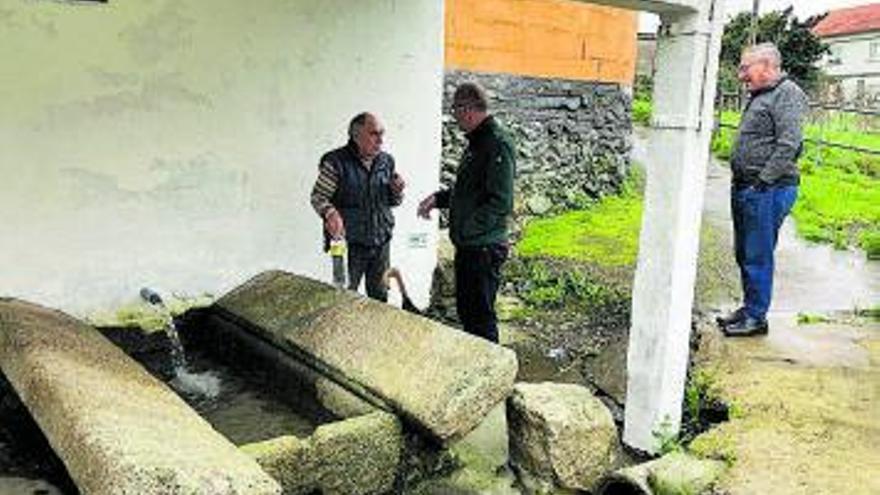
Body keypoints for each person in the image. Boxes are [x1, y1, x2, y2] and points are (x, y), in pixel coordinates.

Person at [717, 43, 809, 337]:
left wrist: (762, 182)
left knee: (757, 254)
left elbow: (789, 144)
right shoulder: (760, 95)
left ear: (767, 65)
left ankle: (756, 318)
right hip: (748, 187)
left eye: (746, 67)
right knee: (744, 252)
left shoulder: (788, 94)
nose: (741, 74)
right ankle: (750, 308)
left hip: (768, 190)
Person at [418, 82, 515, 343]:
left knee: (481, 319)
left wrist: (467, 228)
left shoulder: (496, 144)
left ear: (468, 110)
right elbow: (468, 192)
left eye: (455, 111)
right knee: (468, 314)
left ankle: (492, 375)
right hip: (470, 245)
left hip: (483, 247)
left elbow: (501, 202)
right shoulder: (477, 143)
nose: (454, 117)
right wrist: (438, 199)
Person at [310, 112, 405, 302]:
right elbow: (318, 197)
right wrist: (330, 213)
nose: (380, 140)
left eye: (382, 134)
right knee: (344, 296)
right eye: (374, 134)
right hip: (348, 243)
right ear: (356, 136)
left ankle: (377, 331)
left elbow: (392, 202)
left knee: (379, 296)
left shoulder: (386, 161)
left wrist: (396, 192)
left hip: (381, 241)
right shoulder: (335, 162)